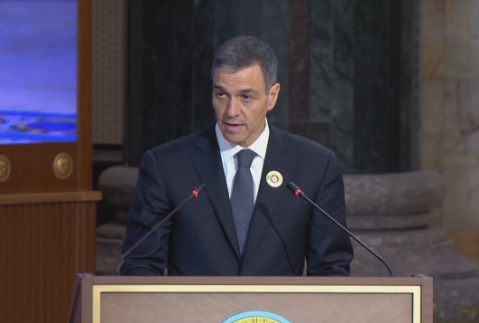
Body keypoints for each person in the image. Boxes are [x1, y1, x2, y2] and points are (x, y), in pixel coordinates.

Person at [119, 35, 353, 276]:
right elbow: (140, 265)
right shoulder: (167, 166)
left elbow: (331, 269)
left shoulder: (315, 166)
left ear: (272, 97)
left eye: (246, 97)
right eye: (222, 95)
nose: (231, 111)